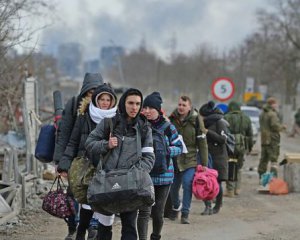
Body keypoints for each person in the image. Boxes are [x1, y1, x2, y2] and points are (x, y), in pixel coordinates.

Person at [85, 88, 155, 240]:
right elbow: (89, 144)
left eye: (138, 104)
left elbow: (149, 157)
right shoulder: (108, 123)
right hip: (107, 184)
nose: (134, 107)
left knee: (129, 227)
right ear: (123, 103)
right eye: (130, 103)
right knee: (104, 228)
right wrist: (106, 145)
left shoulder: (144, 128)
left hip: (131, 185)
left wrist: (136, 174)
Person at [57, 84, 117, 240]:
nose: (105, 102)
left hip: (107, 167)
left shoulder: (116, 119)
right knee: (86, 203)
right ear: (96, 100)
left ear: (112, 101)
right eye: (102, 99)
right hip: (86, 166)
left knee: (103, 203)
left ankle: (96, 232)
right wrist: (64, 163)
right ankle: (81, 232)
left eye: (108, 99)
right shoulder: (84, 117)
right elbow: (73, 141)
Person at [53, 72, 103, 240]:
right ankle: (73, 226)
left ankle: (92, 227)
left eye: (96, 91)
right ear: (84, 91)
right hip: (77, 159)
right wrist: (61, 162)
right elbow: (65, 134)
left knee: (96, 193)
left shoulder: (106, 107)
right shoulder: (75, 105)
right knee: (73, 193)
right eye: (90, 91)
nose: (93, 95)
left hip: (99, 159)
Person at [137, 92, 183, 240]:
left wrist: (167, 150)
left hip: (164, 176)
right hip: (145, 175)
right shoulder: (139, 124)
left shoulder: (168, 127)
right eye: (145, 107)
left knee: (158, 212)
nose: (147, 111)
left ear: (158, 109)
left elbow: (179, 147)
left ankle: (155, 236)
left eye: (151, 108)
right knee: (144, 211)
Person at [168, 95, 208, 224]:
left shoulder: (196, 121)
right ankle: (176, 206)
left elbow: (202, 143)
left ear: (189, 107)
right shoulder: (172, 119)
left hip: (190, 159)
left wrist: (204, 163)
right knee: (173, 188)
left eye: (184, 105)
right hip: (174, 158)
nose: (181, 107)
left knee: (187, 183)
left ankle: (185, 213)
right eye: (179, 104)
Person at [199, 101, 229, 215]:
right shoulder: (203, 123)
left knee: (217, 182)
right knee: (204, 181)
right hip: (206, 155)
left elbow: (223, 139)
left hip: (219, 156)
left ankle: (217, 206)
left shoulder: (220, 122)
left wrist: (208, 132)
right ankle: (207, 206)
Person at [224, 101, 253, 197]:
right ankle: (238, 188)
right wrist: (249, 148)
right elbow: (250, 135)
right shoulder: (246, 118)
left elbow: (222, 132)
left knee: (230, 165)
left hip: (229, 145)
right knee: (239, 167)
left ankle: (230, 190)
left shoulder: (226, 117)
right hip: (242, 145)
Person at [258, 97, 286, 178]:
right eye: (275, 104)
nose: (276, 105)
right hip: (272, 139)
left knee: (263, 159)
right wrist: (282, 127)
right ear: (272, 104)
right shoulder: (272, 114)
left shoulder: (262, 113)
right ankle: (273, 179)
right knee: (274, 160)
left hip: (264, 139)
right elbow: (275, 126)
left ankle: (261, 178)